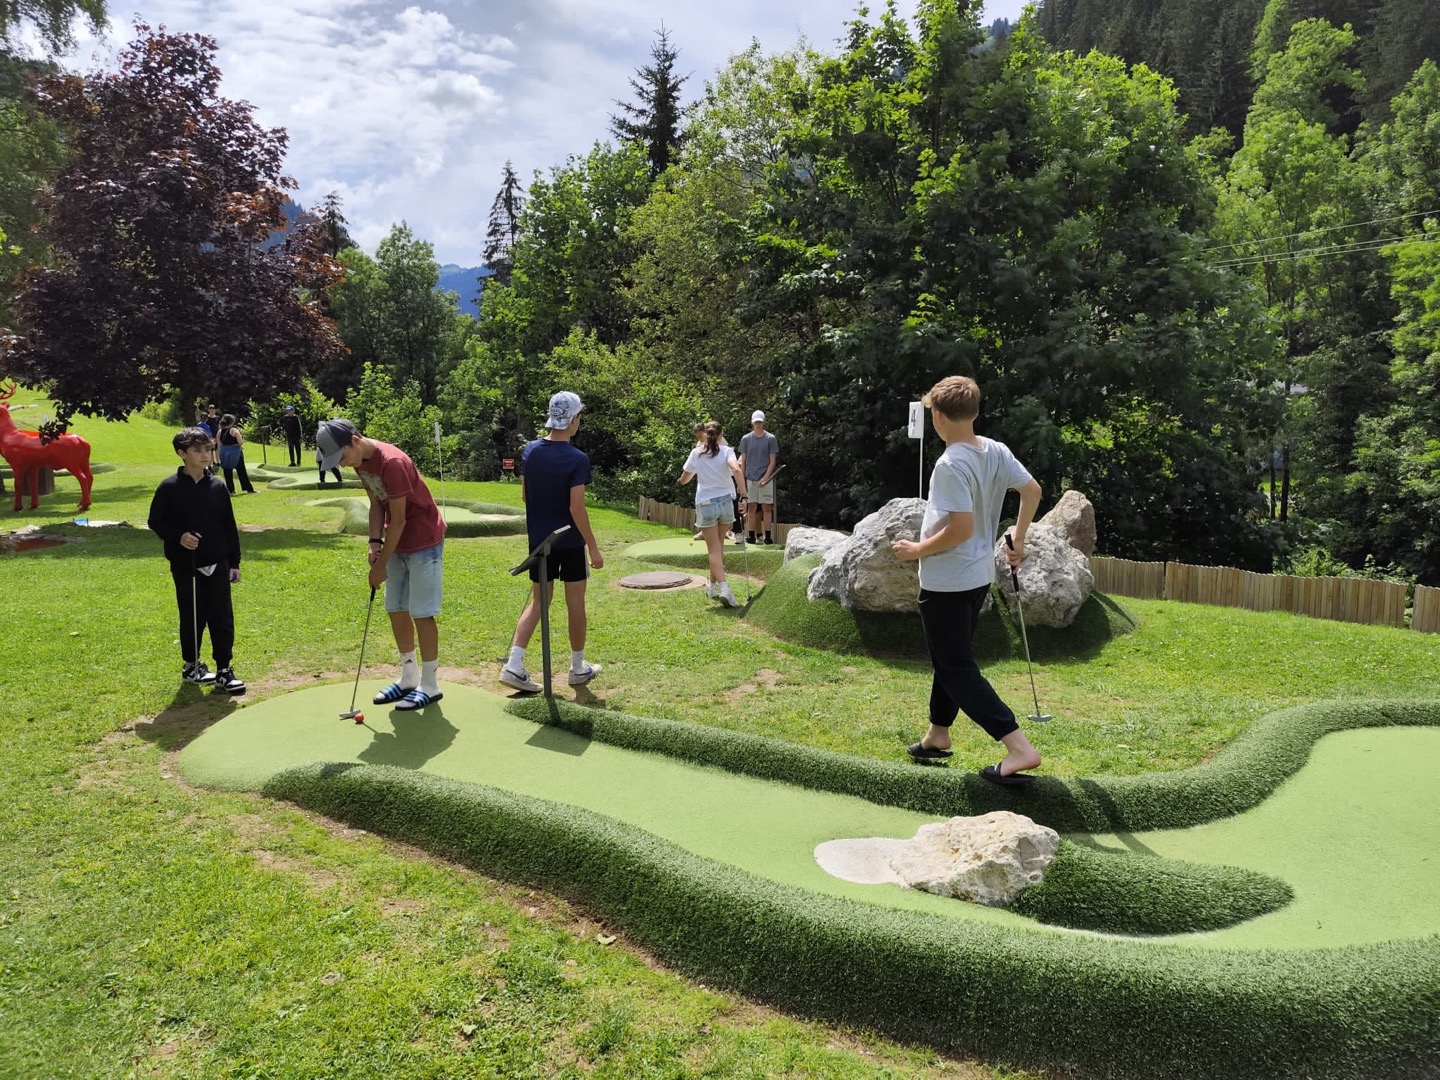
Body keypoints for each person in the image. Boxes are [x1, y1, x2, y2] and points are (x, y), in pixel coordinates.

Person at [890, 375, 1044, 786]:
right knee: (949, 658)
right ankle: (938, 734)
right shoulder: (995, 449)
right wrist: (1019, 538)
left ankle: (1019, 749)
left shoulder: (949, 464)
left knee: (957, 666)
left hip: (947, 580)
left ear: (938, 417)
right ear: (973, 412)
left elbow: (959, 528)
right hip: (977, 577)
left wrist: (915, 551)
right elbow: (1032, 491)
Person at [317, 418, 446, 710]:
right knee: (395, 607)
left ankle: (430, 684)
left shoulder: (393, 463)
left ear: (354, 439)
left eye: (343, 456)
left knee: (421, 611)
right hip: (396, 540)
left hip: (424, 539)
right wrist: (374, 542)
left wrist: (380, 566)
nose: (346, 464)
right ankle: (409, 677)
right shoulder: (361, 463)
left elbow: (399, 519)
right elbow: (377, 504)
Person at [499, 391, 605, 693]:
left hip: (539, 543)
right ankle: (577, 667)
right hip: (570, 543)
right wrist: (594, 548)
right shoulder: (577, 459)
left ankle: (514, 664)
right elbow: (576, 508)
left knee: (539, 602)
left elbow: (525, 495)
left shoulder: (530, 451)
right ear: (572, 419)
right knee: (575, 603)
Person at [147, 426, 246, 694]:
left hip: (219, 562)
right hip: (186, 565)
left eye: (208, 450)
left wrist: (234, 562)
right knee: (193, 615)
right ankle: (192, 665)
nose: (205, 455)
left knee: (222, 616)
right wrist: (179, 536)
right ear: (182, 453)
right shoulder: (169, 487)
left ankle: (224, 669)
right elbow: (155, 521)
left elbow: (228, 525)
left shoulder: (217, 486)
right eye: (197, 450)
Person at [680, 420, 746, 608]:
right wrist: (744, 496)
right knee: (718, 547)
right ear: (720, 434)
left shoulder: (697, 453)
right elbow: (736, 470)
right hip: (725, 502)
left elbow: (684, 479)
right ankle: (712, 586)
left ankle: (725, 589)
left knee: (713, 550)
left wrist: (686, 477)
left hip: (706, 504)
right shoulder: (726, 451)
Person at [739, 410, 779, 544]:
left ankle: (767, 536)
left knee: (767, 508)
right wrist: (742, 481)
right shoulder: (746, 439)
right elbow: (743, 461)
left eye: (760, 422)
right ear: (752, 422)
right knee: (751, 507)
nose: (758, 424)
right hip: (750, 478)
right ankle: (751, 535)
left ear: (763, 422)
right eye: (756, 422)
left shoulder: (770, 438)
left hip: (766, 478)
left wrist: (766, 477)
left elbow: (772, 460)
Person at [216, 413, 256, 495]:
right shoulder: (234, 430)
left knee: (227, 472)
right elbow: (240, 442)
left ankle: (231, 490)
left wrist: (220, 455)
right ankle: (248, 489)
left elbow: (219, 444)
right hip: (236, 453)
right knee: (241, 471)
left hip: (225, 453)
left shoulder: (219, 432)